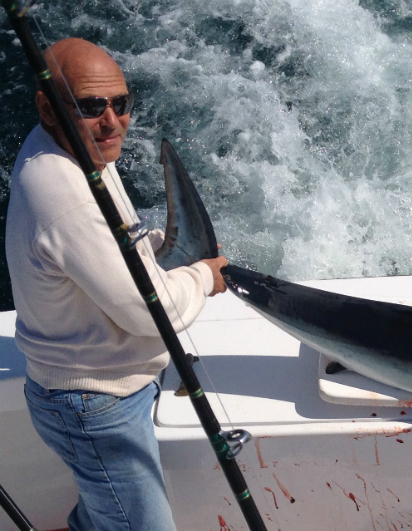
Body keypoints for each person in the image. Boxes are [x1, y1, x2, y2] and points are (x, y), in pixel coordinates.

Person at [6, 38, 228, 530]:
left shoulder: (72, 145)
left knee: (112, 513)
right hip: (95, 403)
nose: (112, 121)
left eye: (120, 104)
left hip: (110, 384)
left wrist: (149, 247)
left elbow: (111, 242)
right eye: (90, 106)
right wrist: (202, 277)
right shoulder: (67, 197)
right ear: (47, 105)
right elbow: (156, 316)